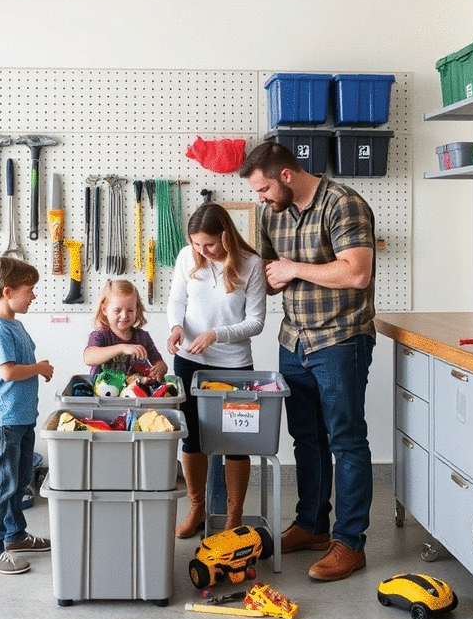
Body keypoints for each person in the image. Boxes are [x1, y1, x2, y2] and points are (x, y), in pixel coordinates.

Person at [240, 141, 376, 582]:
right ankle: (313, 526)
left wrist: (295, 268)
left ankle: (350, 542)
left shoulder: (343, 204)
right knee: (306, 438)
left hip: (340, 340)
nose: (259, 198)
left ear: (285, 175)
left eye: (262, 189)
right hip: (293, 340)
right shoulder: (270, 213)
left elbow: (356, 272)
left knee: (346, 439)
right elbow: (269, 275)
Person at [166, 203, 267, 538]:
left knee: (236, 442)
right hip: (189, 361)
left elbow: (256, 322)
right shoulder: (186, 258)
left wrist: (215, 335)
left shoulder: (251, 264)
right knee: (192, 439)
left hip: (234, 365)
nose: (202, 251)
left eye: (208, 244)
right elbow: (176, 302)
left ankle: (233, 516)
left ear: (225, 235)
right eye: (196, 244)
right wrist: (176, 328)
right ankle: (197, 508)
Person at [0, 257, 54, 575]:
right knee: (1, 484)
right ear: (8, 291)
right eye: (30, 290)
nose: (33, 296)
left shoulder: (14, 325)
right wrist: (39, 368)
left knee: (19, 481)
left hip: (20, 418)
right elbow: (7, 372)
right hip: (4, 421)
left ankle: (15, 536)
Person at [84, 279, 167, 380]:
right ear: (104, 310)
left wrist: (159, 369)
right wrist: (122, 348)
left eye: (130, 310)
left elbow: (160, 363)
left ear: (137, 310)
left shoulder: (143, 337)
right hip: (103, 393)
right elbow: (88, 358)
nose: (124, 316)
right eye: (117, 310)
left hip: (135, 392)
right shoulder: (99, 335)